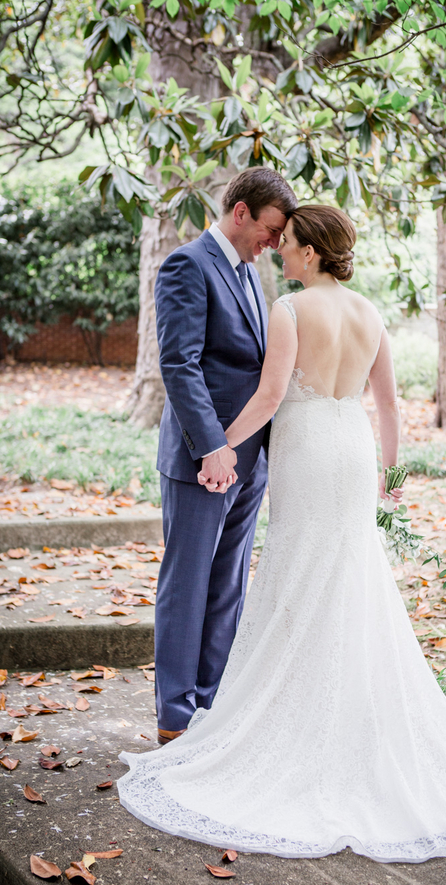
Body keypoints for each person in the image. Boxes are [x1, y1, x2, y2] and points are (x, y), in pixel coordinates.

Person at [119, 205, 446, 862]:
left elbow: (268, 399)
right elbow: (390, 405)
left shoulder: (290, 310)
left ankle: (290, 721)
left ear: (312, 253)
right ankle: (348, 721)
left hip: (309, 455)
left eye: (288, 242)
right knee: (351, 575)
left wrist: (218, 446)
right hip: (352, 453)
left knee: (297, 575)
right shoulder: (370, 312)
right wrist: (392, 476)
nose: (279, 249)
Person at [152, 168, 297, 745]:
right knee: (186, 586)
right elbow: (179, 364)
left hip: (249, 464)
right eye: (271, 229)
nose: (275, 242)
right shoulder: (188, 265)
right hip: (203, 462)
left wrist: (249, 453)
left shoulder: (250, 275)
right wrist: (214, 447)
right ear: (241, 212)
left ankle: (209, 706)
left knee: (228, 587)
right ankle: (174, 717)